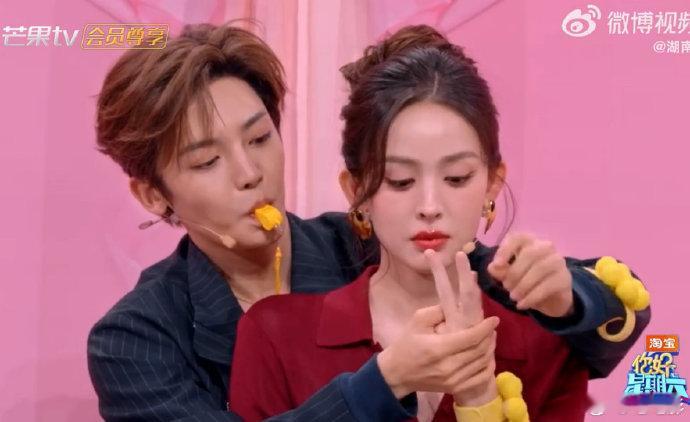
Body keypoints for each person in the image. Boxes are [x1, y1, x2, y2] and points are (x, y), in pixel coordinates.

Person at [88, 23, 650, 421]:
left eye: (260, 138)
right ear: (153, 195)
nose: (249, 173)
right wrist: (385, 382)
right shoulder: (135, 341)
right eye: (207, 161)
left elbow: (529, 289)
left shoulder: (359, 238)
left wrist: (568, 296)